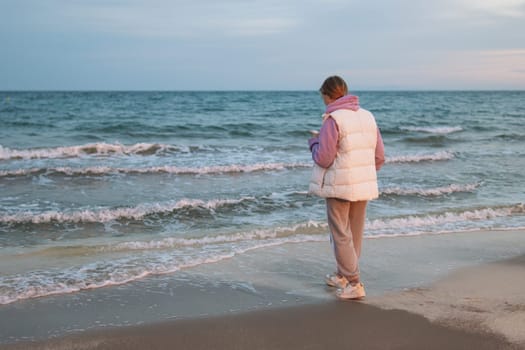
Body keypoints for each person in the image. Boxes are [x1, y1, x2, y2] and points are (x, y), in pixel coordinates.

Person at [308, 75, 385, 300]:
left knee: (340, 233)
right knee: (354, 232)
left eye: (322, 95)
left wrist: (313, 143)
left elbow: (323, 158)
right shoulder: (368, 116)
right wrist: (364, 173)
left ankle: (354, 282)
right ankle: (343, 275)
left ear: (327, 94)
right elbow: (379, 156)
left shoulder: (334, 119)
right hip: (363, 183)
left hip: (340, 186)